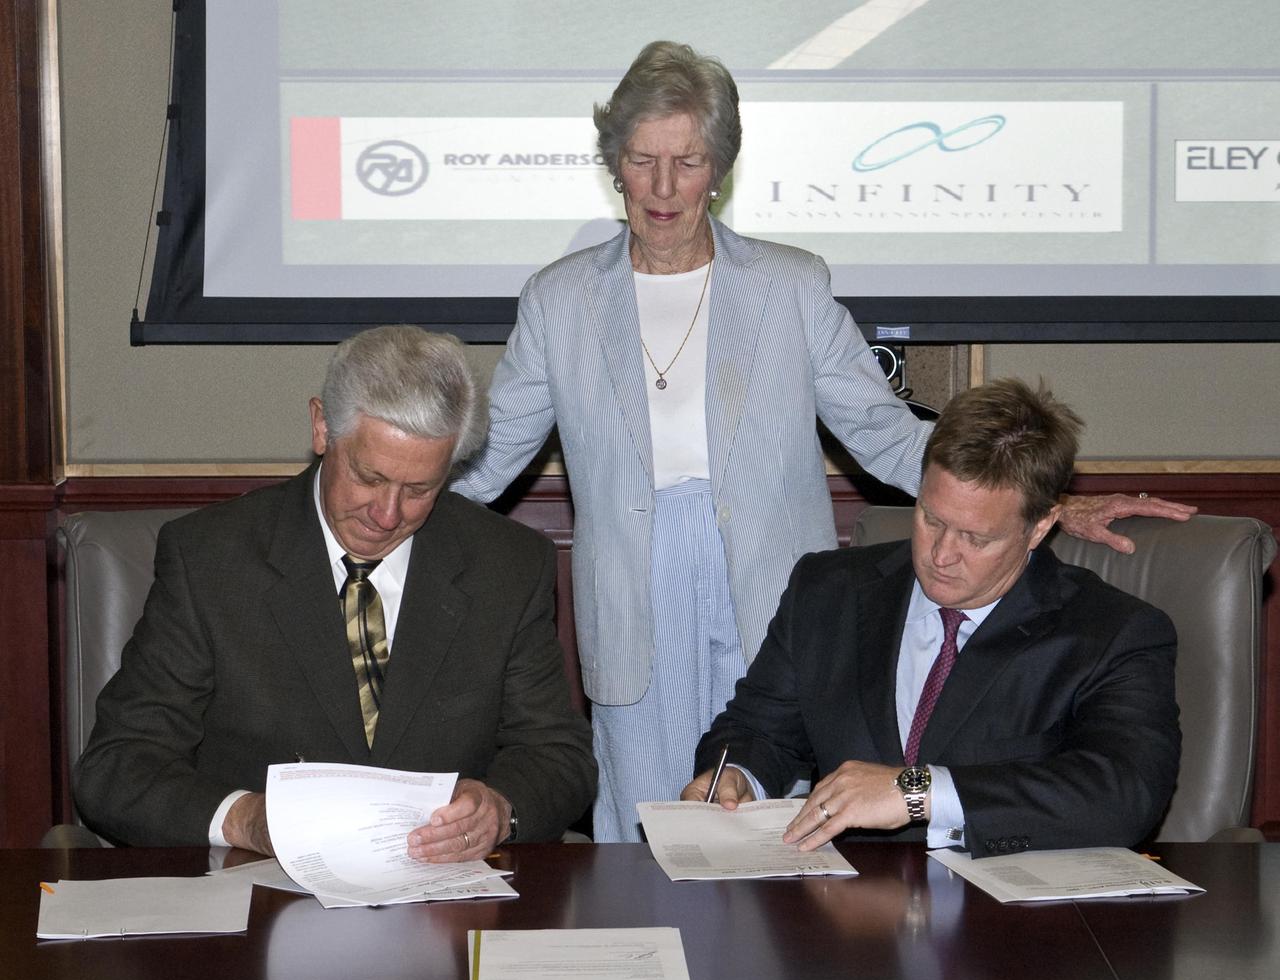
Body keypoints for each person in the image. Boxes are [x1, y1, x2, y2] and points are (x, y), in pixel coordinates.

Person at [450, 40, 1193, 842]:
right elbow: (491, 457)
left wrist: (1057, 501)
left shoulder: (788, 285)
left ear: (721, 168)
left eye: (688, 161)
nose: (663, 188)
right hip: (630, 591)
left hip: (772, 584)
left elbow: (881, 432)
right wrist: (391, 507)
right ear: (614, 165)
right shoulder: (559, 300)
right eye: (642, 160)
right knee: (645, 820)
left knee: (771, 805)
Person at [75, 326, 596, 857]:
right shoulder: (212, 560)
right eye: (369, 477)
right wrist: (245, 819)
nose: (387, 514)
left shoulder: (505, 565)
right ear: (323, 427)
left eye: (419, 490)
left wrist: (499, 809)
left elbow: (558, 755)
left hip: (440, 906)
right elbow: (118, 766)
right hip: (260, 897)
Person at [682, 379, 1181, 857]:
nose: (941, 555)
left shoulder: (1111, 632)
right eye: (931, 519)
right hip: (841, 910)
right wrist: (736, 775)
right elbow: (760, 729)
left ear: (1040, 527)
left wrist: (916, 790)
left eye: (976, 538)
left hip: (1003, 922)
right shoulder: (828, 592)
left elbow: (1125, 793)